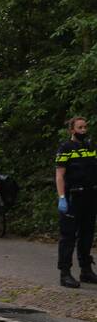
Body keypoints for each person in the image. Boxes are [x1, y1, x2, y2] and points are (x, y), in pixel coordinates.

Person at [55, 116, 97, 288]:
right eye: (80, 127)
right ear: (72, 130)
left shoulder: (90, 147)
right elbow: (60, 175)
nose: (83, 130)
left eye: (85, 127)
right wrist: (62, 197)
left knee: (87, 235)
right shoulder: (65, 148)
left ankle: (86, 270)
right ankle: (65, 273)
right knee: (68, 236)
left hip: (90, 196)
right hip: (73, 197)